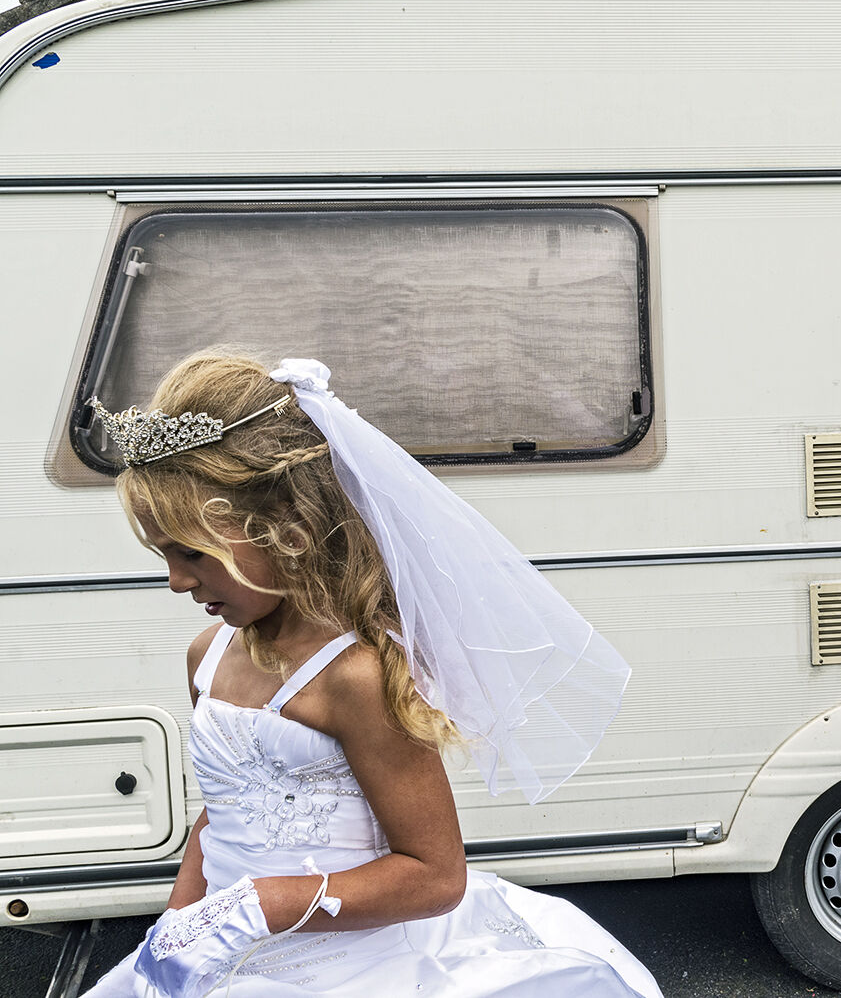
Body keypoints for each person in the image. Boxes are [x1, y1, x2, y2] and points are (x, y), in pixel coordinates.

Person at [82, 350, 662, 998]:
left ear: (285, 530)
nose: (177, 580)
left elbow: (436, 875)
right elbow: (220, 814)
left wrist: (265, 903)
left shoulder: (355, 677)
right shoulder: (207, 656)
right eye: (165, 555)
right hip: (225, 959)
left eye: (193, 553)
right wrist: (175, 925)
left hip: (344, 969)